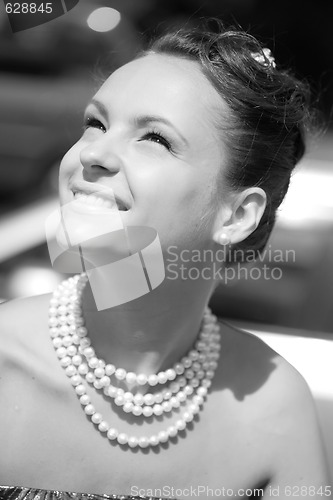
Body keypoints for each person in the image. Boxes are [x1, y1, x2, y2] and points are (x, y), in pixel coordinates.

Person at [0, 20, 330, 500]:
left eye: (155, 138)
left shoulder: (273, 409)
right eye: (95, 122)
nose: (94, 154)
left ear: (237, 215)